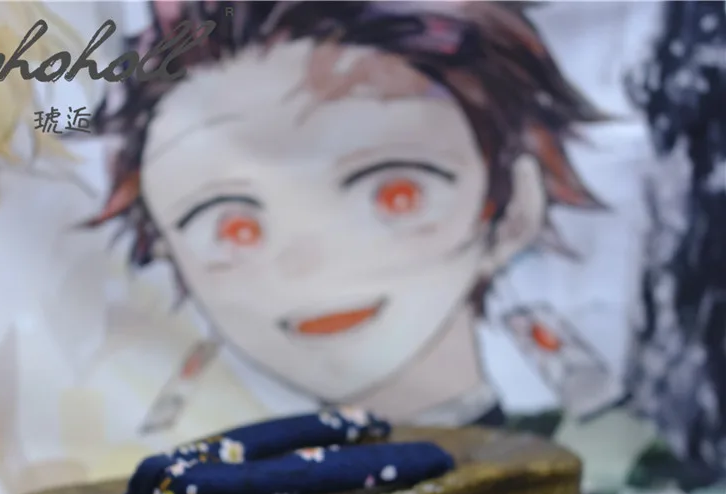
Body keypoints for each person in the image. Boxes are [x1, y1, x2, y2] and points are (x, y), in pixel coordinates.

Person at [90, 0, 608, 431]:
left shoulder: (617, 474)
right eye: (234, 230)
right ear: (169, 252)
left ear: (513, 209)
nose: (307, 263)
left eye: (398, 196)